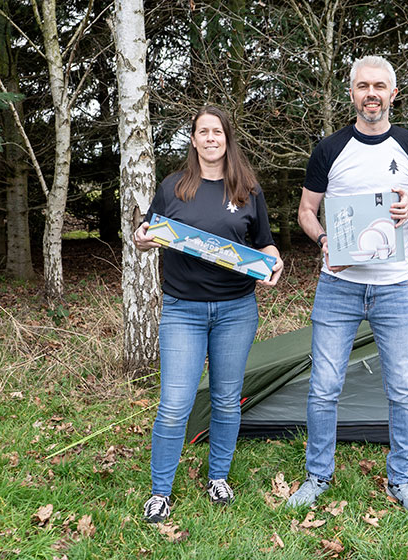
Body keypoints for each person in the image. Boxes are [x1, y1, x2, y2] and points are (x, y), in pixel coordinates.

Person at [287, 56, 408, 513]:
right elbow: (306, 212)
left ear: (393, 94)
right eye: (362, 86)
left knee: (402, 387)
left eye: (379, 86)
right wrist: (324, 240)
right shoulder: (329, 149)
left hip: (395, 288)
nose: (370, 93)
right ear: (351, 94)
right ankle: (317, 476)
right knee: (324, 386)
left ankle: (402, 480)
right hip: (338, 286)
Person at [134, 106, 283, 523]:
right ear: (194, 139)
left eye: (218, 131)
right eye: (203, 132)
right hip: (183, 310)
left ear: (227, 138)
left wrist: (276, 262)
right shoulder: (173, 187)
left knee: (225, 399)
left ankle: (218, 477)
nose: (211, 138)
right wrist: (141, 238)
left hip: (237, 310)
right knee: (175, 403)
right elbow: (148, 231)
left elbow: (266, 244)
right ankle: (160, 492)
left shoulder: (247, 189)